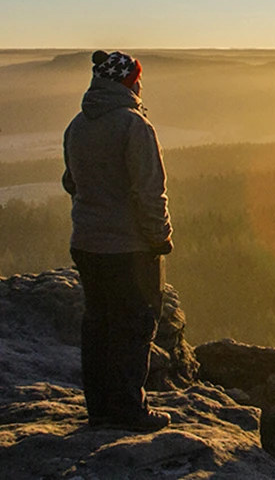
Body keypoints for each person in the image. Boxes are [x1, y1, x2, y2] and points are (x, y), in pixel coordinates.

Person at [62, 50, 174, 432]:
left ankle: (101, 409)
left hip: (86, 242)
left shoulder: (76, 126)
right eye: (137, 80)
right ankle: (129, 410)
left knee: (98, 324)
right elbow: (149, 191)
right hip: (129, 248)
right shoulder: (134, 126)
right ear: (130, 83)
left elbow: (71, 182)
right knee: (134, 326)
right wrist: (161, 238)